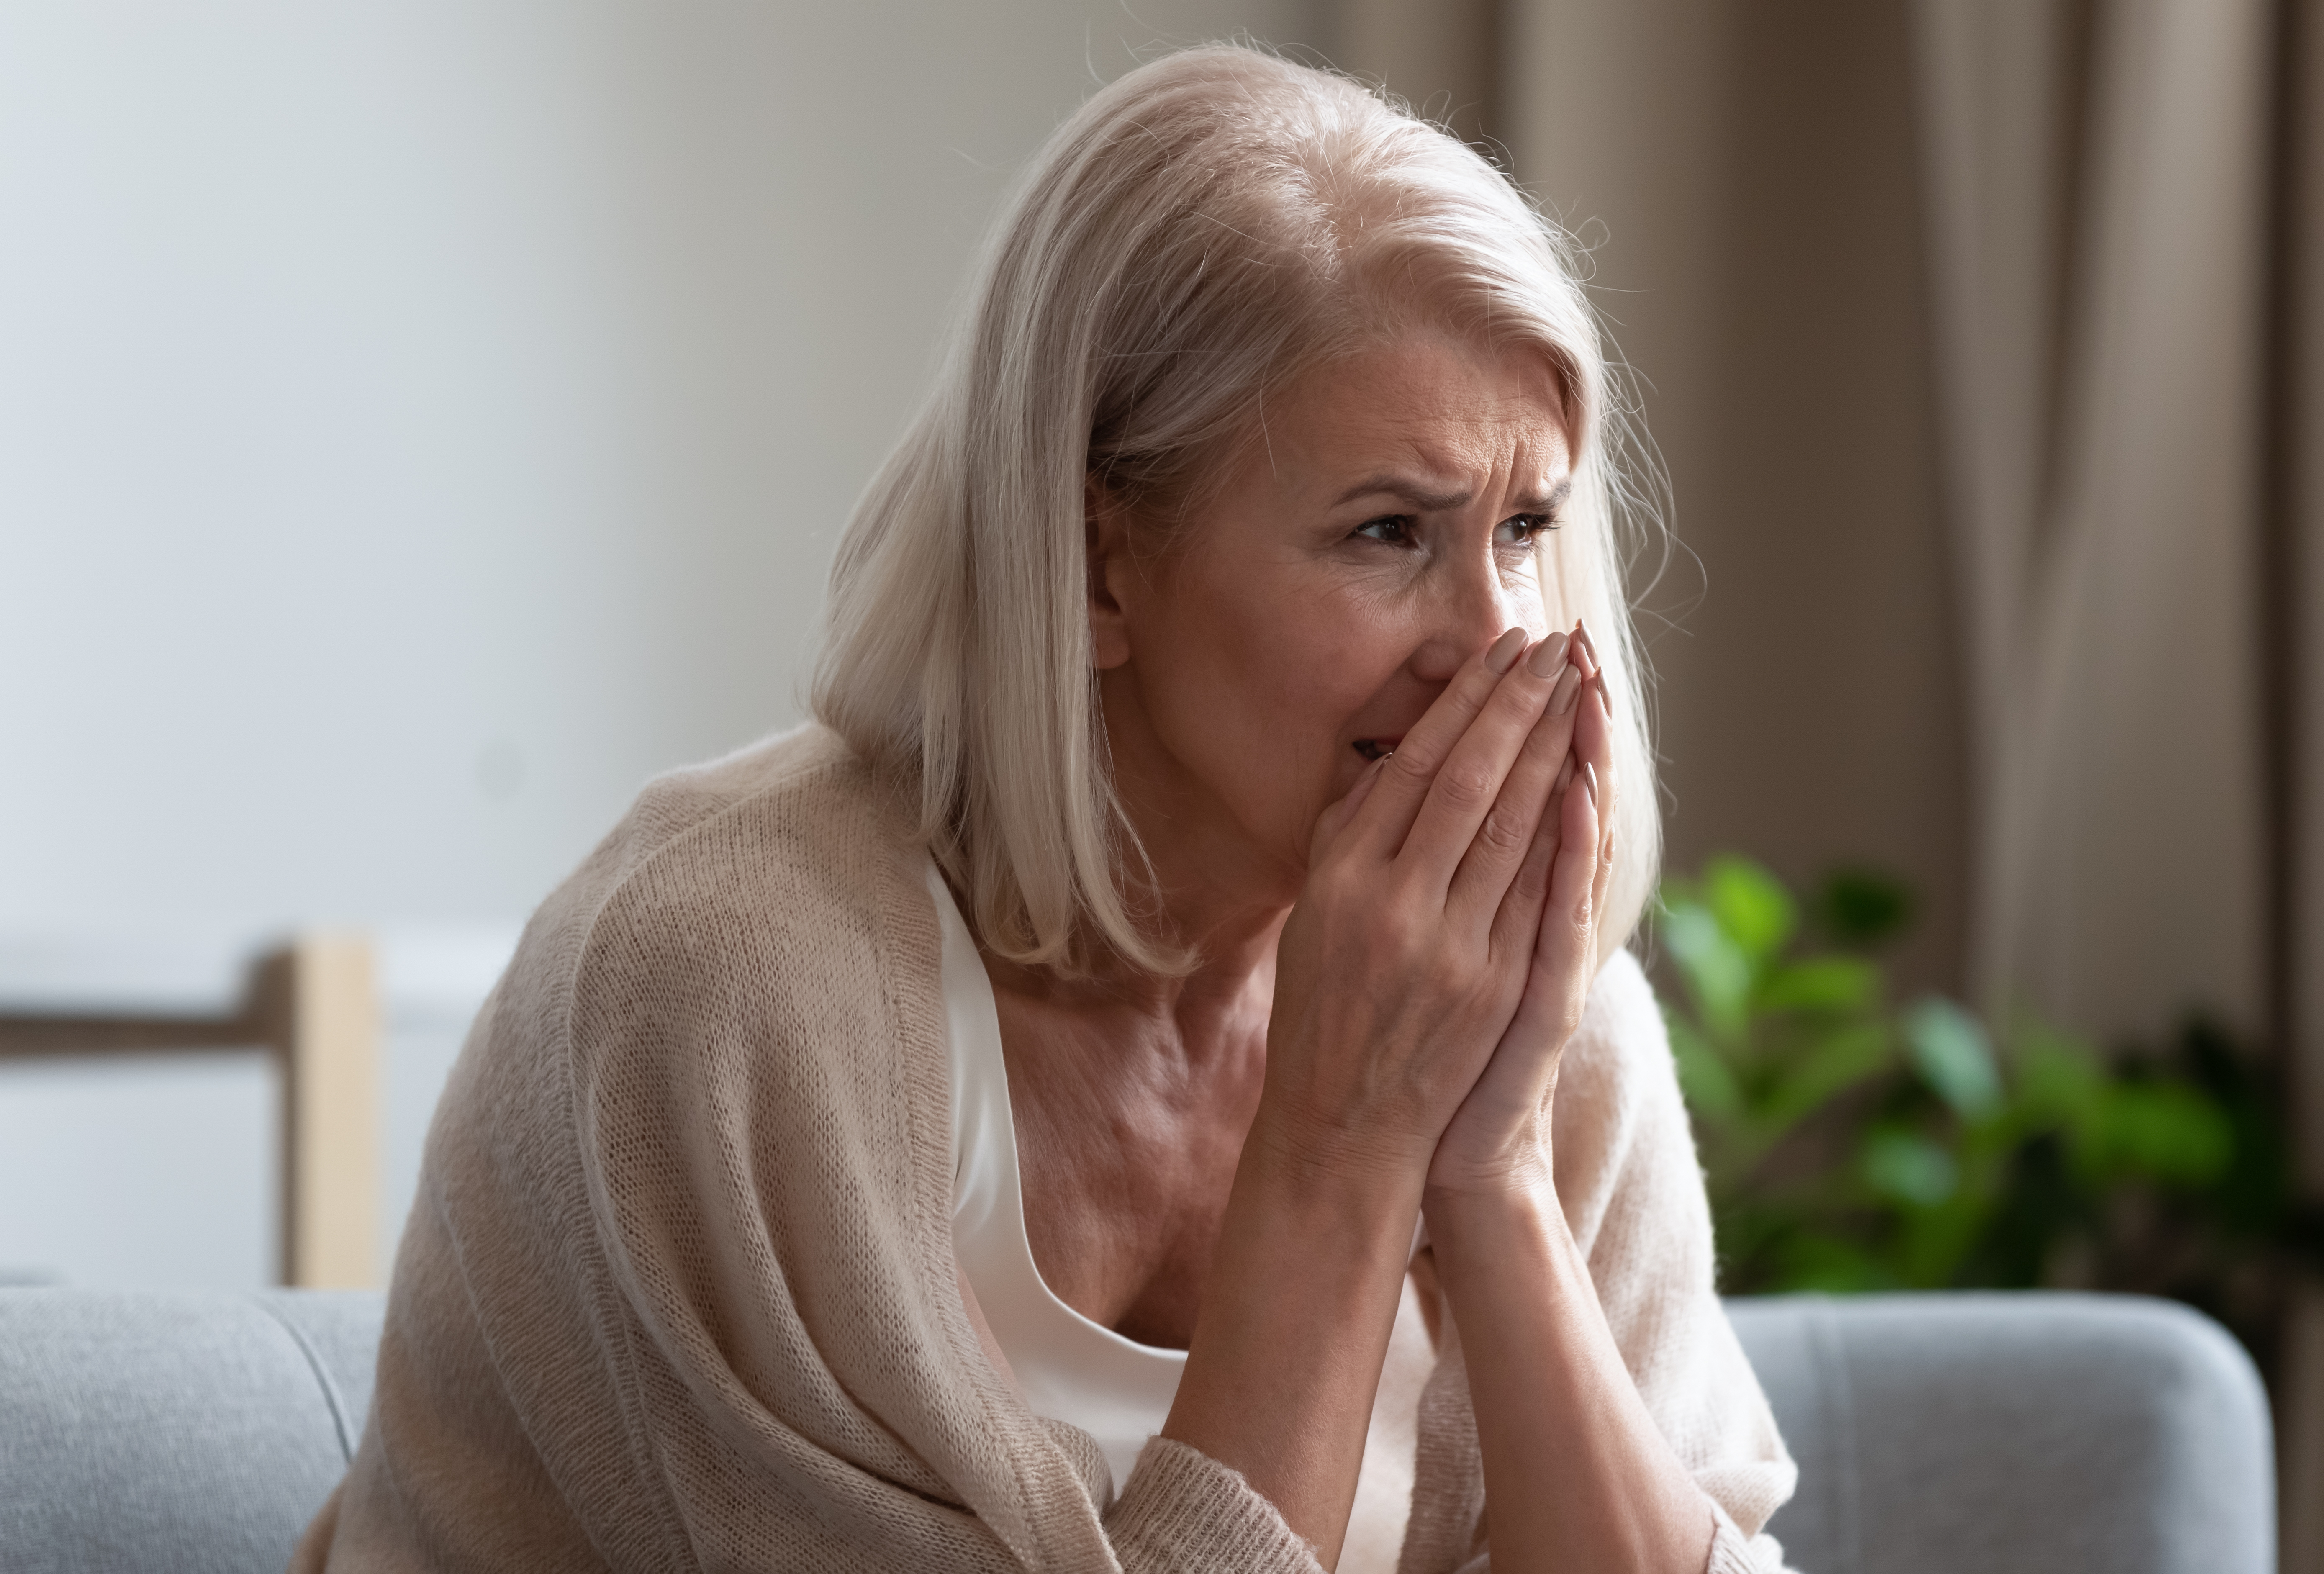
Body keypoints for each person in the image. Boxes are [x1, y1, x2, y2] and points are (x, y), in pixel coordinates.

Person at [294, 43, 1793, 1574]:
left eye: (1527, 525)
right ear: (1093, 566)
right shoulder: (719, 985)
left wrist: (1492, 1178)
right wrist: (1340, 1152)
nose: (1497, 641)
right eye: (1388, 531)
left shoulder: (1525, 1002)